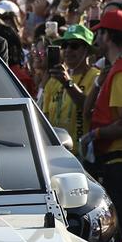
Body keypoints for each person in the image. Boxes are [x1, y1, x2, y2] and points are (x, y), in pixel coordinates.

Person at [81, 10, 122, 234]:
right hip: (110, 163)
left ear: (108, 36)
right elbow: (87, 111)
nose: (96, 38)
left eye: (100, 33)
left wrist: (95, 136)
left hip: (119, 165)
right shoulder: (113, 71)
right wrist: (100, 80)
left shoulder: (121, 73)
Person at [42, 24, 100, 155]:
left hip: (82, 153)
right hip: (54, 151)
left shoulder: (96, 77)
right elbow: (44, 117)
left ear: (87, 51)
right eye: (65, 45)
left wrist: (68, 83)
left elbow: (90, 111)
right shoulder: (53, 79)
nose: (68, 50)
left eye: (74, 45)